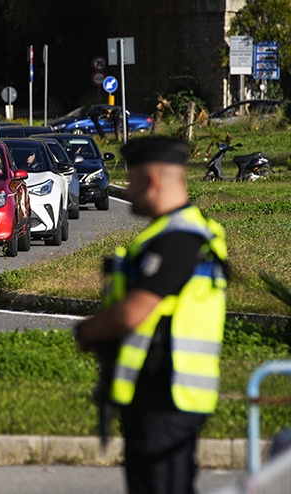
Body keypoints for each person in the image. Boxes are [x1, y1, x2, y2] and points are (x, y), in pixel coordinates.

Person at [72, 137, 228, 494]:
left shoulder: (178, 239)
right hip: (160, 396)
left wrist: (86, 332)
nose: (127, 190)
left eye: (132, 180)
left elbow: (134, 312)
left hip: (168, 397)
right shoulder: (174, 233)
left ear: (151, 182)